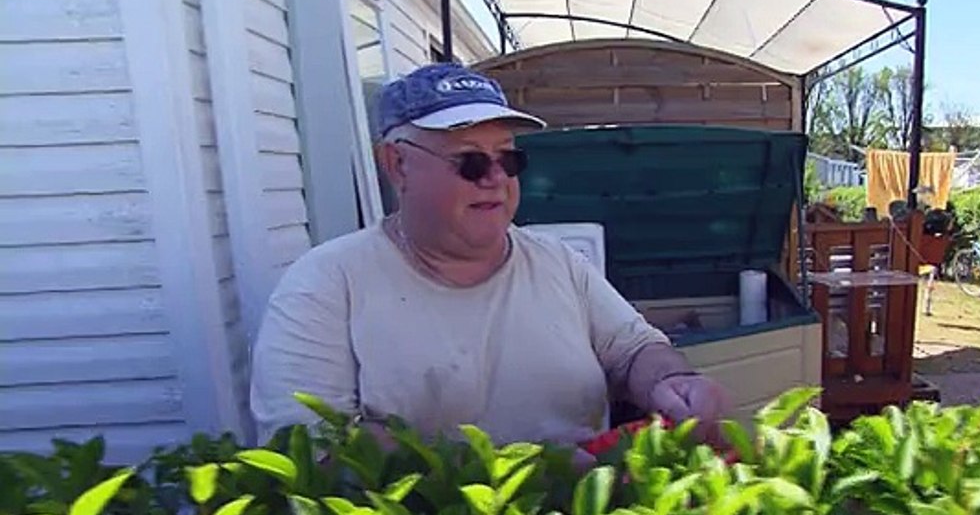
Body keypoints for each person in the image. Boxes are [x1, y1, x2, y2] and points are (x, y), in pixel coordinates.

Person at [249, 62, 731, 466]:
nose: (496, 180)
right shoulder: (325, 284)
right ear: (397, 165)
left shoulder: (558, 263)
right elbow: (310, 449)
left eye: (509, 160)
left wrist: (672, 381)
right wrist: (511, 473)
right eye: (471, 162)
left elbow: (635, 349)